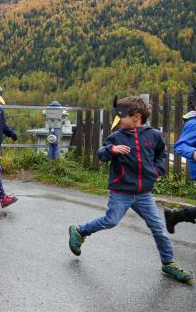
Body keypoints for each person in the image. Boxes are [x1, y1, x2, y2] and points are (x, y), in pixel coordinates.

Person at [68, 96, 193, 283]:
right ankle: (80, 230)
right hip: (121, 192)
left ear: (136, 116)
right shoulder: (116, 137)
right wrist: (112, 150)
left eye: (121, 117)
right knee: (110, 221)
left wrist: (158, 170)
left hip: (143, 194)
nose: (117, 121)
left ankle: (168, 263)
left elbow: (161, 153)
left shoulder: (154, 136)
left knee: (158, 228)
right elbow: (101, 154)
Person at [164, 108, 196, 233]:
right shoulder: (193, 123)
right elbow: (180, 145)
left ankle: (175, 216)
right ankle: (175, 216)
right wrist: (193, 153)